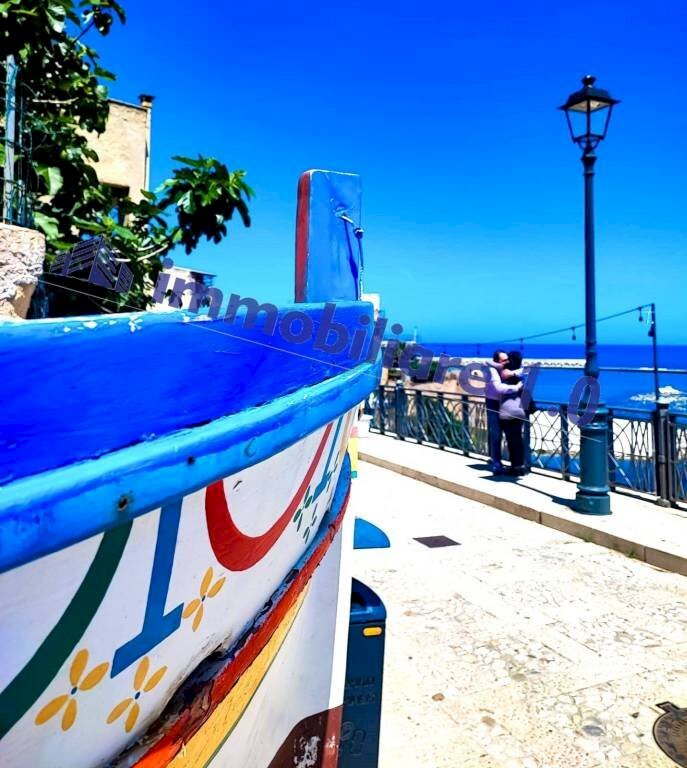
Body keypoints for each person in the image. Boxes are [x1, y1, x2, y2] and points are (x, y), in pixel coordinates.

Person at [484, 350, 522, 475]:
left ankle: (515, 465)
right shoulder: (492, 370)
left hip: (504, 404)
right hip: (494, 403)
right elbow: (498, 388)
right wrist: (516, 388)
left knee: (511, 436)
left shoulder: (506, 368)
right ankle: (497, 463)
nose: (507, 362)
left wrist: (512, 372)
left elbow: (525, 371)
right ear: (497, 361)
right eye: (504, 360)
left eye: (507, 359)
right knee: (496, 434)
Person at [499, 350, 528, 476]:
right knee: (519, 439)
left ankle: (514, 467)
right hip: (520, 410)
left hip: (506, 411)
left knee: (511, 440)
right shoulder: (520, 375)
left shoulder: (504, 374)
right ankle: (521, 466)